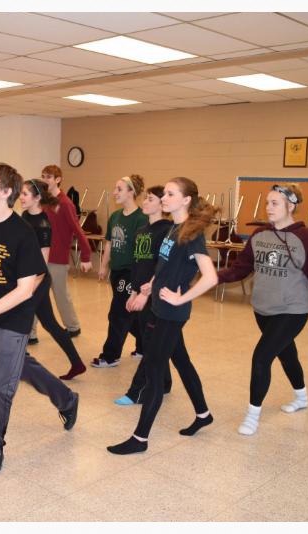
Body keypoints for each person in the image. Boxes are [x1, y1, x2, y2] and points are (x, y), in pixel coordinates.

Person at [0, 164, 80, 477]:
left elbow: (26, 290)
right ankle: (66, 399)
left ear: (7, 192)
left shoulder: (23, 233)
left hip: (15, 316)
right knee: (20, 365)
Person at [107, 177, 218, 455]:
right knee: (182, 361)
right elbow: (163, 265)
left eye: (170, 194)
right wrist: (150, 286)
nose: (164, 198)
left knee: (154, 372)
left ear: (186, 200)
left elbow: (210, 277)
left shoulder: (191, 235)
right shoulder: (174, 229)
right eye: (164, 194)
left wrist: (181, 298)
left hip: (171, 313)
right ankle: (203, 414)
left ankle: (140, 438)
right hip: (159, 305)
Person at [217, 184, 308, 436]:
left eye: (275, 203)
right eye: (267, 203)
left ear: (290, 206)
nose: (268, 207)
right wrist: (213, 276)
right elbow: (241, 268)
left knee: (262, 357)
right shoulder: (259, 235)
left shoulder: (307, 239)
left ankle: (252, 416)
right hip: (263, 309)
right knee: (287, 354)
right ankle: (302, 397)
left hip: (292, 310)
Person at [20, 179, 86, 380]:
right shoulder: (25, 216)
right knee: (50, 324)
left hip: (37, 281)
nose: (21, 197)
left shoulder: (43, 223)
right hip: (28, 279)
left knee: (20, 320)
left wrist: (29, 287)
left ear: (37, 198)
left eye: (25, 194)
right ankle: (77, 363)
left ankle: (16, 363)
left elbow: (42, 262)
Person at [115, 185, 173, 404]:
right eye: (145, 198)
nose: (145, 202)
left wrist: (146, 293)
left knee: (151, 345)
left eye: (150, 199)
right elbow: (137, 264)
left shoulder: (167, 230)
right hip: (140, 292)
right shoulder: (142, 230)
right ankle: (165, 383)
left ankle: (138, 391)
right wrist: (133, 292)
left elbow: (162, 266)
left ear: (161, 204)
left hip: (155, 295)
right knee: (157, 343)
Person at [92, 174, 149, 368]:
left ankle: (110, 356)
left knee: (117, 313)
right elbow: (109, 243)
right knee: (131, 312)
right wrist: (103, 265)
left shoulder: (141, 218)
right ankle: (144, 346)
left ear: (131, 192)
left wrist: (140, 277)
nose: (114, 192)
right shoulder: (115, 216)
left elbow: (142, 252)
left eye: (119, 189)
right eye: (115, 188)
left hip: (131, 272)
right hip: (116, 272)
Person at [37, 165, 92, 340]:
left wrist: (86, 256)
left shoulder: (65, 203)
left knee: (61, 295)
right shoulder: (43, 202)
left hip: (57, 259)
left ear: (58, 179)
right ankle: (29, 333)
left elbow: (77, 230)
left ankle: (73, 327)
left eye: (48, 177)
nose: (45, 180)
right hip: (41, 256)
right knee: (34, 294)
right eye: (43, 176)